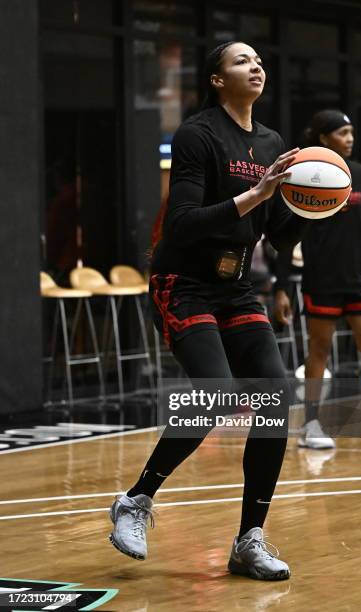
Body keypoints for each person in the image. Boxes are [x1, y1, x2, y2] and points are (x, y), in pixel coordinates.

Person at [109, 41, 310, 581]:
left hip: (237, 286)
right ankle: (136, 500)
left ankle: (249, 540)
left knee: (273, 400)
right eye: (242, 61)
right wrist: (258, 192)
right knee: (218, 392)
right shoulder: (198, 134)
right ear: (218, 79)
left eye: (260, 60)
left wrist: (312, 204)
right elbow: (183, 223)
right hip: (185, 282)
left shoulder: (270, 142)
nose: (257, 66)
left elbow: (274, 230)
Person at [274, 109, 361, 451]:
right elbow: (286, 236)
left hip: (359, 277)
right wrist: (282, 285)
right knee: (319, 351)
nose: (350, 139)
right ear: (323, 138)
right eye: (342, 133)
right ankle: (311, 423)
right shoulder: (302, 176)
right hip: (321, 278)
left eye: (352, 133)